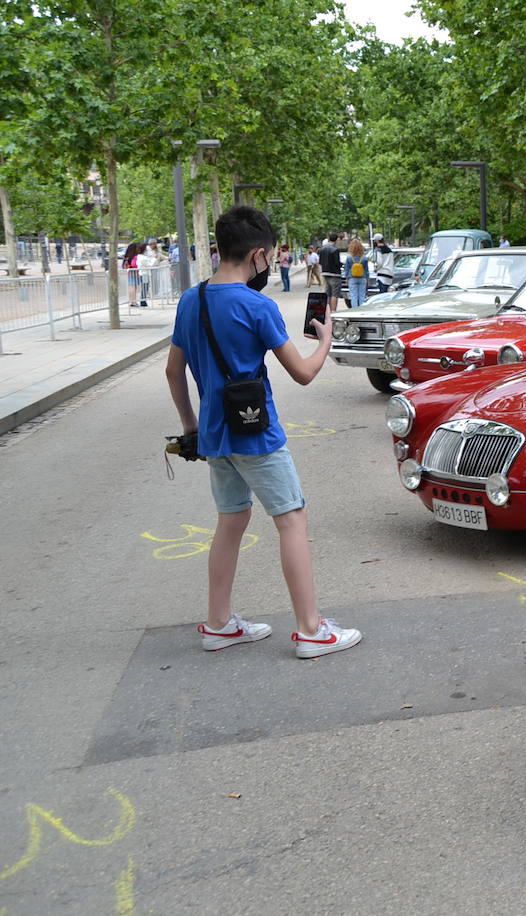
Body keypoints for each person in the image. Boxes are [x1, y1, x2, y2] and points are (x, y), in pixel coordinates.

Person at [164, 205, 361, 659]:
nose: (269, 263)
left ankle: (218, 624)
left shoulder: (190, 300)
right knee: (291, 519)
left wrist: (191, 426)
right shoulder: (257, 305)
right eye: (268, 256)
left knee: (230, 521)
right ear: (256, 254)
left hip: (215, 435)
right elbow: (303, 373)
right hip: (256, 434)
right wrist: (326, 339)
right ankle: (312, 631)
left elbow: (174, 372)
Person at [319, 233, 342, 310]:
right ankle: (333, 311)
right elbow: (337, 263)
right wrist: (341, 264)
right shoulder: (335, 250)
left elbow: (320, 262)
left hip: (325, 273)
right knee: (335, 294)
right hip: (334, 274)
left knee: (327, 293)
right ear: (336, 240)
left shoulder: (322, 249)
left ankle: (327, 311)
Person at [345, 237, 369, 307]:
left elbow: (347, 269)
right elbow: (366, 270)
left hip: (352, 278)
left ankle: (354, 311)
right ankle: (361, 311)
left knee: (353, 296)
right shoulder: (364, 258)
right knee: (362, 296)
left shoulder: (349, 257)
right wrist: (367, 279)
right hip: (362, 278)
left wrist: (347, 278)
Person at [121, 241, 142, 306]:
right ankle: (133, 301)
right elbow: (134, 264)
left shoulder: (127, 256)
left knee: (131, 286)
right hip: (135, 272)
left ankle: (131, 301)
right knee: (133, 287)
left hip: (130, 272)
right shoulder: (134, 256)